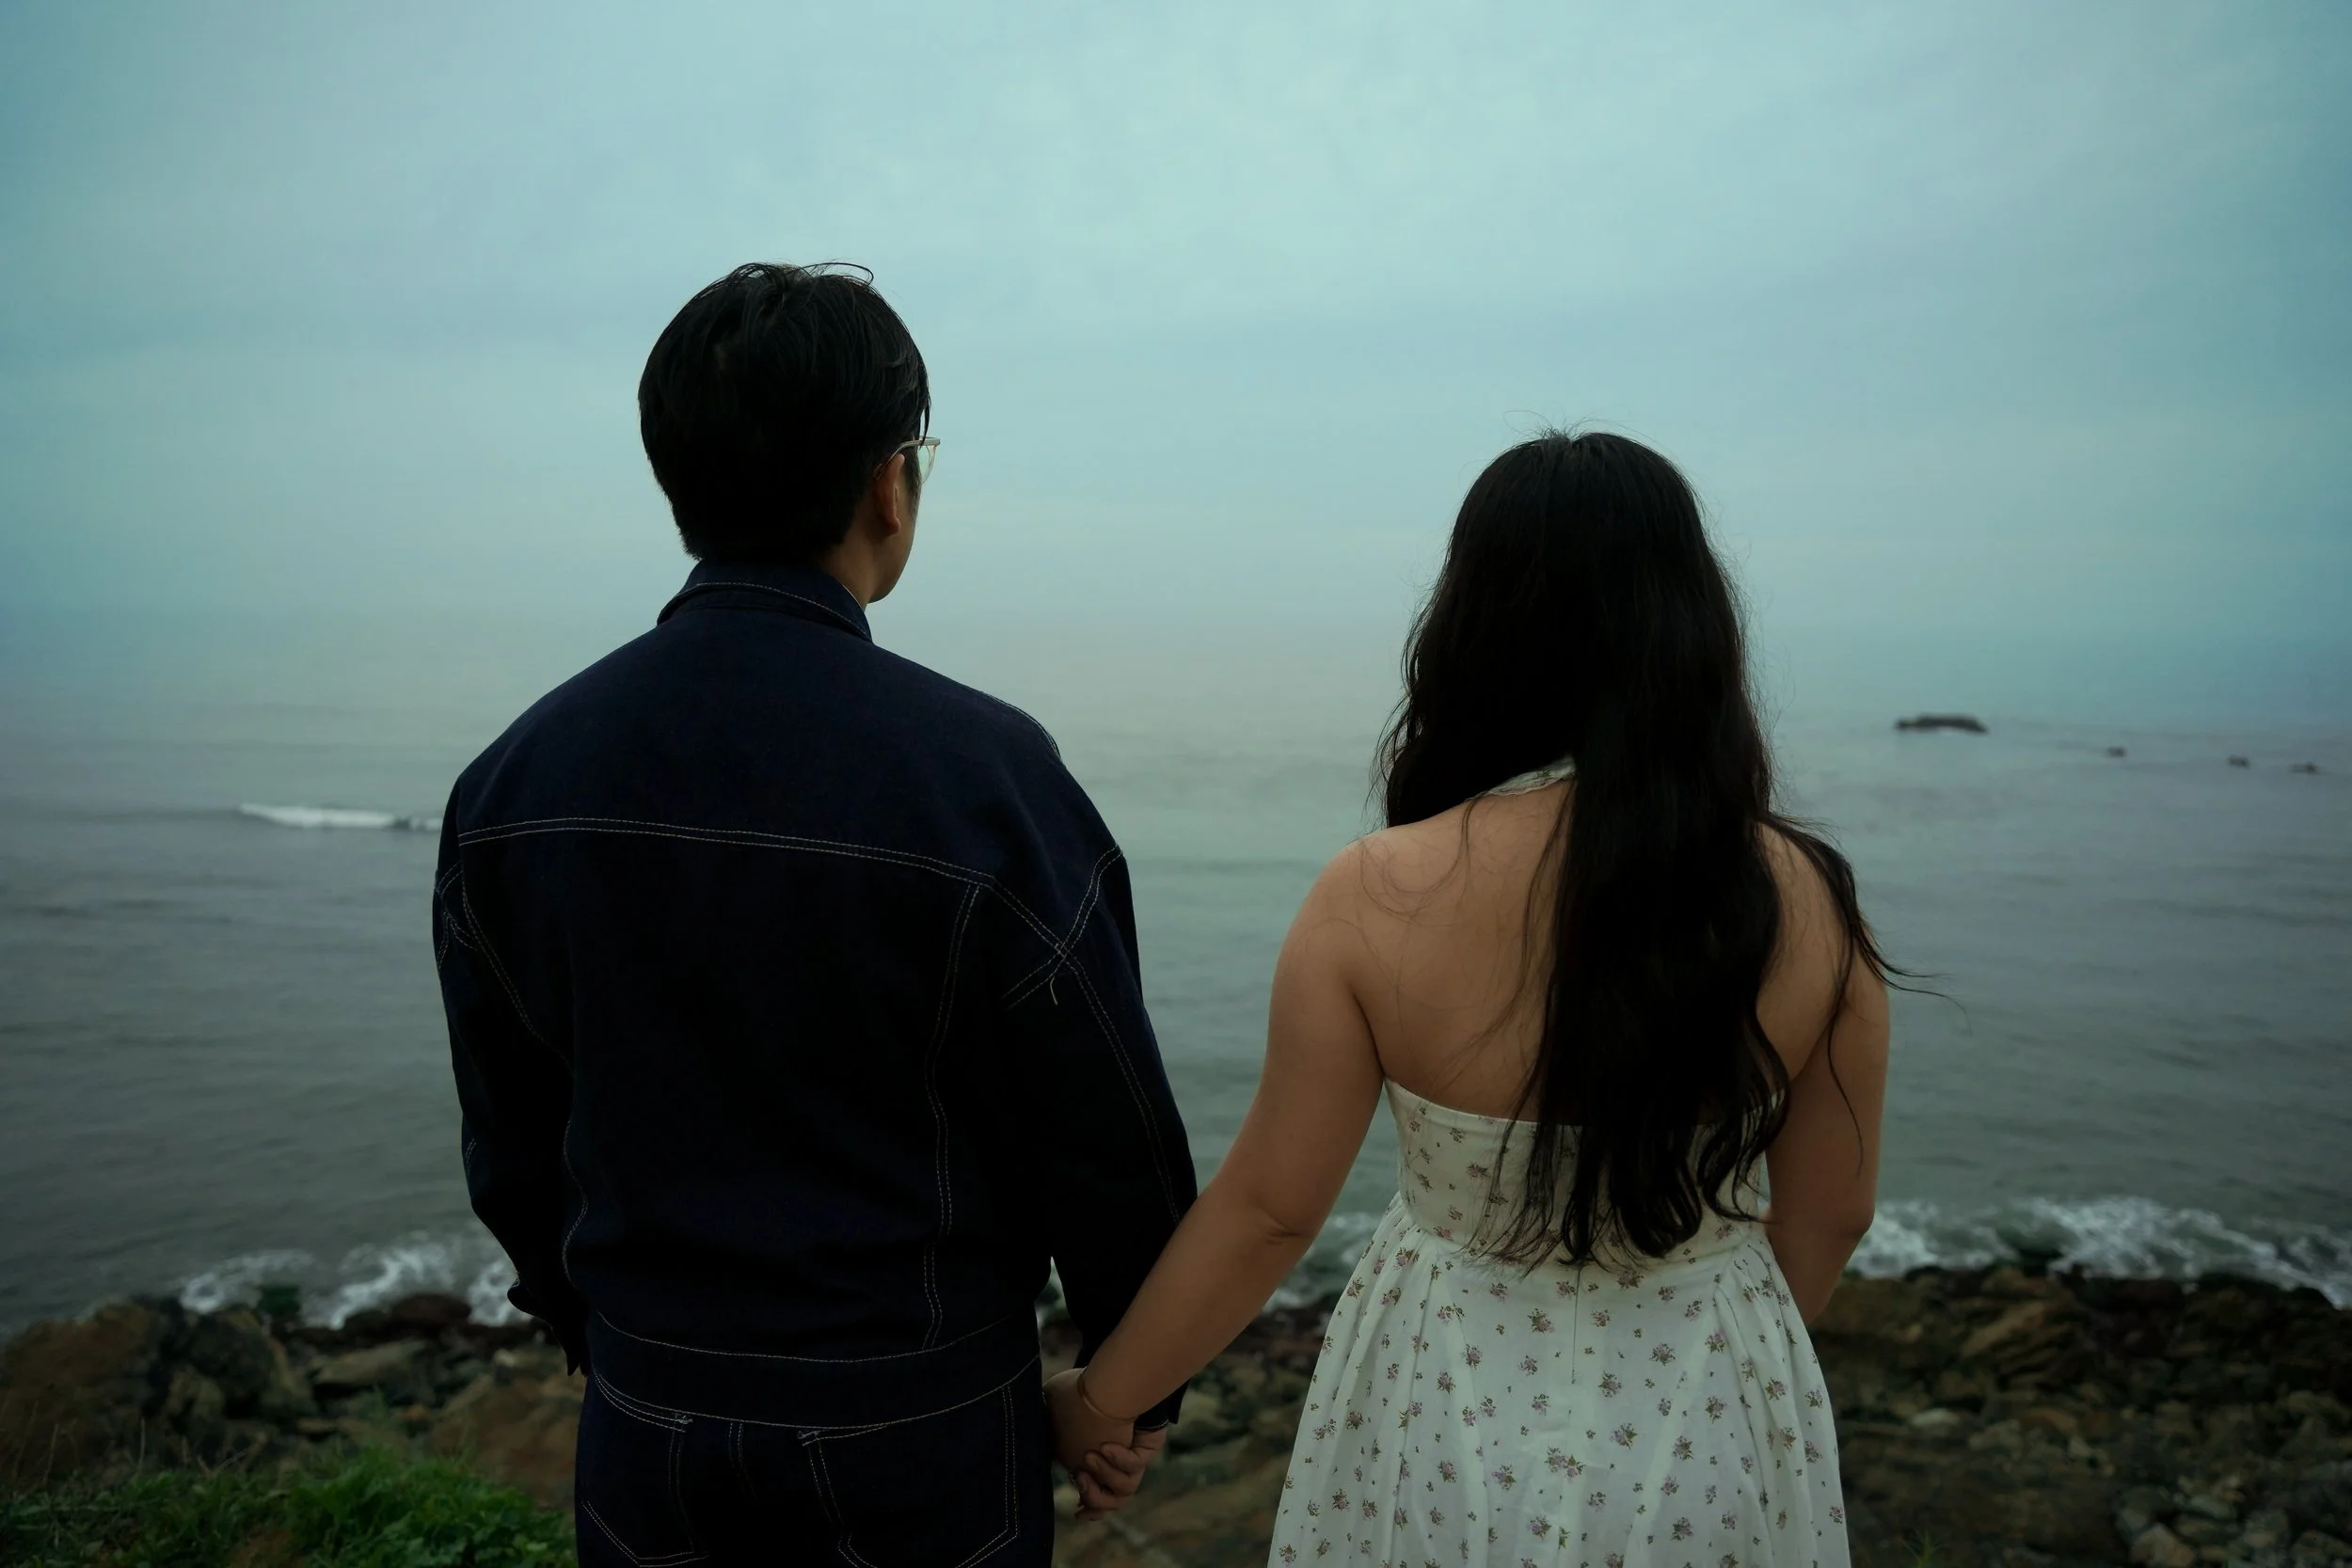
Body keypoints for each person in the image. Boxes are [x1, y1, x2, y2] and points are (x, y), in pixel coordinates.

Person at [432, 261, 1195, 1567]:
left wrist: (585, 1320)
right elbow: (1106, 1141)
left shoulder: (514, 781)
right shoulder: (986, 778)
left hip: (648, 1405)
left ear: (678, 480)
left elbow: (509, 1130)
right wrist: (1128, 1387)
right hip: (921, 1415)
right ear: (889, 484)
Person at [1047, 431, 1891, 1566]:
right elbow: (1831, 1212)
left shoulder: (1376, 891)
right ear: (1695, 627)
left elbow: (1270, 1211)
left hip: (1440, 1406)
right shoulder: (1809, 900)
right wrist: (1725, 1351)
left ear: (1472, 626)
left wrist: (1103, 1402)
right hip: (1710, 1410)